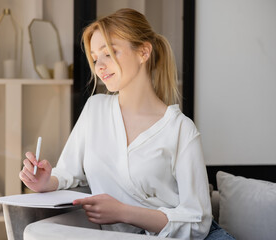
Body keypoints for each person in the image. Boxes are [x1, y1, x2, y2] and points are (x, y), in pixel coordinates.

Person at [19, 8, 234, 239]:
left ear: (143, 52)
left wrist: (124, 212)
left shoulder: (180, 129)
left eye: (109, 53)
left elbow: (198, 220)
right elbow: (69, 172)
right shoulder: (95, 109)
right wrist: (45, 181)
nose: (99, 66)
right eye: (94, 58)